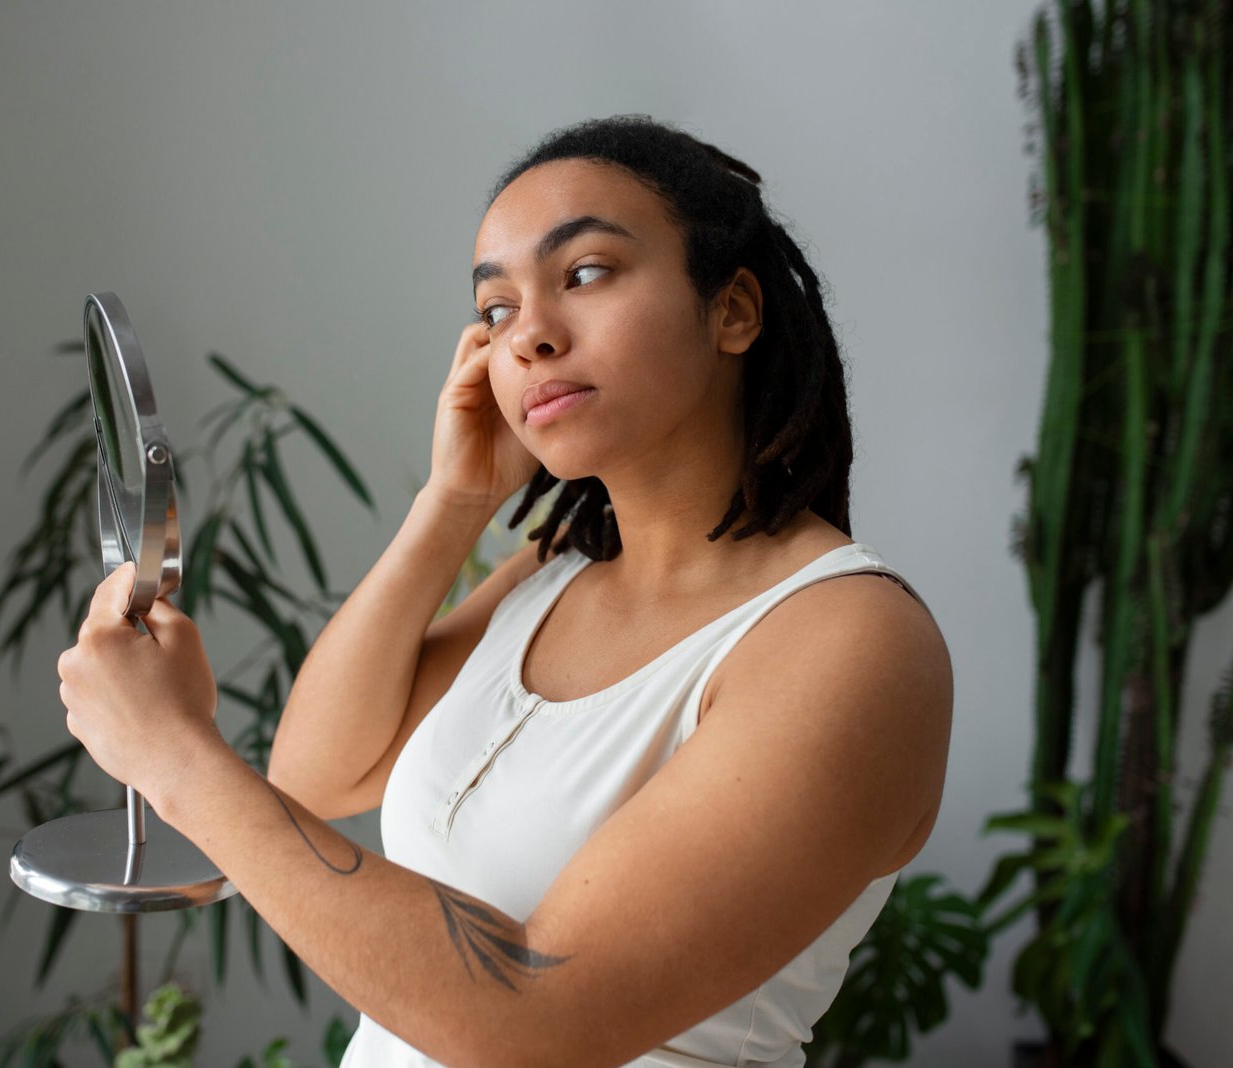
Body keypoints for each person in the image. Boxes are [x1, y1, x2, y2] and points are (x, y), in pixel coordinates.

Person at [57, 114, 953, 1068]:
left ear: (733, 310)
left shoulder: (849, 640)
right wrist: (453, 503)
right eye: (495, 311)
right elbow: (317, 778)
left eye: (586, 274)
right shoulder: (551, 575)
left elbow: (538, 1018)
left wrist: (176, 759)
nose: (528, 337)